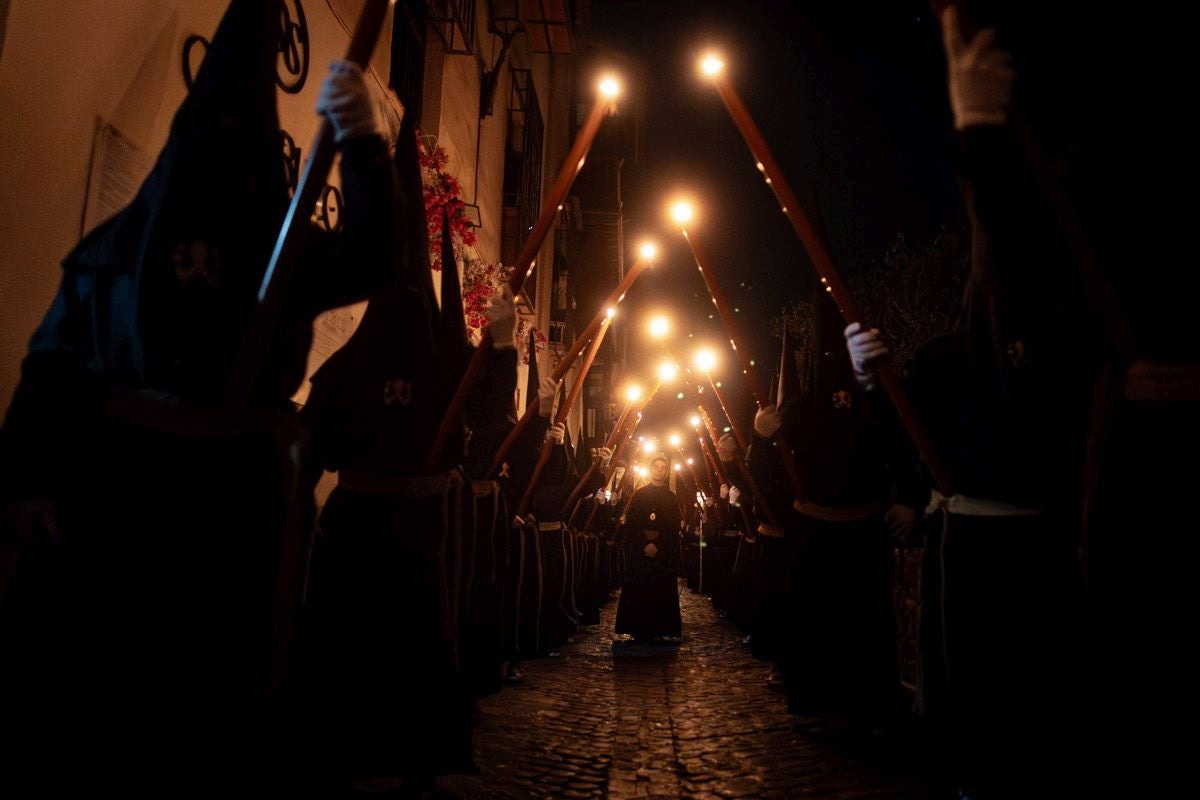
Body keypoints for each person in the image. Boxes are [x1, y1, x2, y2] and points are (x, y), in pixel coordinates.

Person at [614, 453, 683, 643]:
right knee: (640, 587)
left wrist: (658, 545)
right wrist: (645, 544)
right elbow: (633, 522)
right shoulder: (640, 494)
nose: (659, 470)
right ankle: (638, 628)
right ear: (650, 469)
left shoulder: (671, 497)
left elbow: (674, 524)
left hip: (662, 551)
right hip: (641, 550)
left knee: (660, 588)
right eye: (656, 466)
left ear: (667, 471)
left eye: (663, 467)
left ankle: (661, 628)